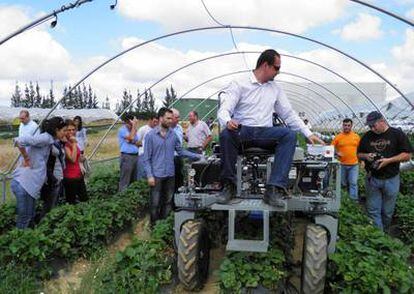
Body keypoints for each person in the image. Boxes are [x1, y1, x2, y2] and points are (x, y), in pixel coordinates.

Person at [217, 49, 324, 205]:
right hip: (243, 131)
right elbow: (225, 108)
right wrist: (228, 121)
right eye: (277, 68)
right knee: (226, 134)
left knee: (289, 135)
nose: (278, 72)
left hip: (265, 133)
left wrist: (308, 133)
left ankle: (273, 188)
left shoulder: (275, 88)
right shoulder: (239, 84)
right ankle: (228, 186)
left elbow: (288, 114)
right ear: (265, 65)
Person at [142, 107, 201, 225]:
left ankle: (163, 225)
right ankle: (154, 227)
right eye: (168, 118)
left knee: (168, 201)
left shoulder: (173, 135)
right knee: (155, 202)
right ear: (160, 118)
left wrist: (198, 156)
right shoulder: (150, 136)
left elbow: (181, 151)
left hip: (170, 174)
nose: (170, 120)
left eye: (171, 118)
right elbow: (146, 158)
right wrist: (149, 176)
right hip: (156, 174)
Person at [357, 111, 412, 231]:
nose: (372, 128)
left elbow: (407, 155)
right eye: (370, 126)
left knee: (387, 211)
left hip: (391, 178)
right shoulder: (367, 136)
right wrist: (366, 156)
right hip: (373, 178)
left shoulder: (397, 134)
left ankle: (385, 231)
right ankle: (379, 236)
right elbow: (359, 154)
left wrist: (389, 160)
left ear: (382, 121)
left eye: (374, 125)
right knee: (372, 209)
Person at [11, 116, 66, 229]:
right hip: (24, 184)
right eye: (63, 130)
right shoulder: (45, 138)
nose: (65, 133)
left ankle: (27, 241)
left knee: (29, 216)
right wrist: (26, 158)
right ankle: (20, 242)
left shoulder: (49, 140)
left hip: (28, 186)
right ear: (56, 130)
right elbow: (20, 140)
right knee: (25, 218)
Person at [331, 118, 360, 200]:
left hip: (354, 164)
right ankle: (342, 200)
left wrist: (362, 161)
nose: (346, 127)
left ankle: (353, 201)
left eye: (348, 125)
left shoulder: (356, 137)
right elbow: (330, 148)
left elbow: (361, 149)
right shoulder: (338, 137)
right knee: (342, 183)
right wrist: (336, 153)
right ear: (342, 126)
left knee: (353, 183)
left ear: (351, 126)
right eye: (345, 125)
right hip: (341, 164)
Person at [63, 120, 88, 204]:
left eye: (73, 129)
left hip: (78, 175)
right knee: (71, 202)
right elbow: (72, 159)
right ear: (64, 130)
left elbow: (76, 158)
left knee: (84, 199)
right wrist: (74, 143)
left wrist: (81, 158)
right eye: (69, 130)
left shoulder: (72, 141)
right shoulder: (65, 144)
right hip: (70, 177)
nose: (71, 132)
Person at [118, 113, 140, 191]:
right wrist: (134, 126)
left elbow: (138, 142)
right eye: (131, 123)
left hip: (136, 156)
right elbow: (131, 137)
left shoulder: (134, 130)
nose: (132, 125)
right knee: (125, 179)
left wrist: (132, 140)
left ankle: (131, 197)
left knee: (134, 178)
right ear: (127, 122)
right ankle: (122, 196)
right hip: (127, 156)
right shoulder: (122, 130)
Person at [136, 114, 158, 180]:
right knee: (142, 174)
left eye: (157, 122)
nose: (155, 123)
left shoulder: (157, 130)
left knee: (151, 175)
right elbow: (136, 142)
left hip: (153, 156)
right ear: (150, 120)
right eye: (154, 121)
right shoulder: (143, 129)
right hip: (143, 155)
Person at [171, 108, 184, 192]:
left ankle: (178, 199)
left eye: (179, 117)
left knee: (179, 178)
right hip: (170, 158)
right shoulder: (166, 128)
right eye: (176, 117)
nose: (178, 119)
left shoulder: (179, 128)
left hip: (179, 157)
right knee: (171, 180)